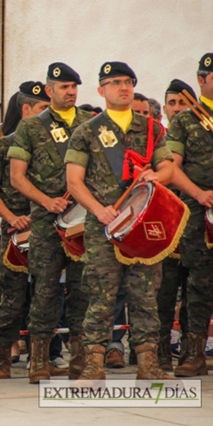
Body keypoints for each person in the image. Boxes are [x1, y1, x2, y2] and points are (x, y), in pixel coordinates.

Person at [65, 61, 174, 380]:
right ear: (101, 90)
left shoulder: (152, 128)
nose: (123, 87)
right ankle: (93, 364)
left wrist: (157, 175)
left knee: (144, 294)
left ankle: (148, 364)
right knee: (100, 294)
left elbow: (168, 167)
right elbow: (74, 181)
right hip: (104, 227)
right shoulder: (87, 131)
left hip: (142, 225)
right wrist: (98, 210)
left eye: (128, 81)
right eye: (115, 82)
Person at [8, 63, 94, 383]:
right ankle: (39, 360)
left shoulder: (90, 122)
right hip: (45, 220)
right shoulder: (31, 128)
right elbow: (17, 177)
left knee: (83, 289)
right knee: (44, 290)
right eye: (64, 87)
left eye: (74, 87)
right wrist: (46, 201)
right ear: (49, 90)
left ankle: (80, 359)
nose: (70, 92)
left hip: (83, 219)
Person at [0, 81, 49, 379]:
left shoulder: (54, 142)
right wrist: (12, 218)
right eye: (42, 109)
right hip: (15, 230)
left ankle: (41, 360)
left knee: (47, 296)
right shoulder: (1, 146)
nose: (48, 115)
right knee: (11, 296)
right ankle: (2, 360)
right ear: (26, 110)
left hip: (48, 228)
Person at [168, 52, 213, 377]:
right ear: (201, 81)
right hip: (200, 213)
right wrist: (199, 193)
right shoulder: (185, 120)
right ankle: (194, 353)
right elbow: (171, 168)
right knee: (198, 285)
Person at [155, 78, 195, 371]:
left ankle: (192, 353)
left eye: (182, 102)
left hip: (195, 225)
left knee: (195, 291)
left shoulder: (202, 136)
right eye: (172, 103)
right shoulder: (157, 140)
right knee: (163, 292)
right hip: (165, 226)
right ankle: (159, 354)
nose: (177, 108)